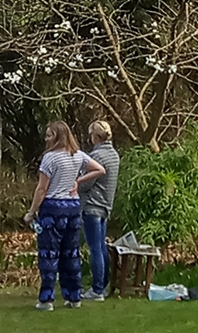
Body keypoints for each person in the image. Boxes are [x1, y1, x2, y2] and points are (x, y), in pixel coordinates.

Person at [24, 121, 106, 311]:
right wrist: (78, 180)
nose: (46, 138)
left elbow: (42, 189)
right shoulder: (78, 155)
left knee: (49, 255)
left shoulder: (50, 158)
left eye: (50, 135)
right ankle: (74, 296)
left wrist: (31, 212)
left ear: (58, 136)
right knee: (71, 253)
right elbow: (100, 170)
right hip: (72, 207)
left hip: (53, 208)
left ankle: (47, 300)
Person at [79, 120, 120, 301]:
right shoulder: (114, 155)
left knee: (95, 248)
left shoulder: (96, 156)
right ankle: (103, 285)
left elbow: (87, 183)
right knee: (101, 247)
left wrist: (76, 182)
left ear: (95, 136)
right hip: (105, 205)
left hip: (92, 205)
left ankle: (96, 290)